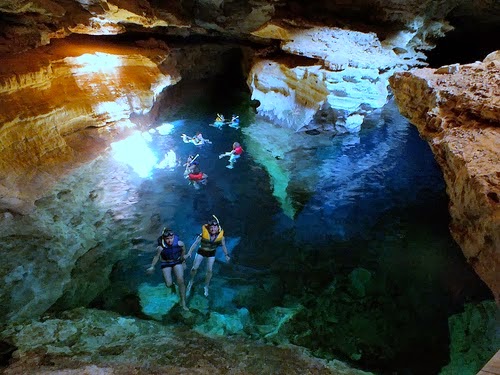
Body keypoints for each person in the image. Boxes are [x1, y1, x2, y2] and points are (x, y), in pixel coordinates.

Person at [185, 216, 230, 297]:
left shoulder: (221, 237)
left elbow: (223, 246)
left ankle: (206, 286)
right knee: (194, 268)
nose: (213, 229)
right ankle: (190, 282)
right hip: (201, 251)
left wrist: (226, 255)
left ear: (218, 227)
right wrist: (189, 253)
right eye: (211, 227)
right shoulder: (203, 235)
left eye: (214, 227)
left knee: (209, 271)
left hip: (211, 253)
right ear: (208, 228)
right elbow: (195, 243)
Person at [147, 228, 189, 311]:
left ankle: (183, 303)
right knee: (168, 284)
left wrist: (183, 262)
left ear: (174, 237)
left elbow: (183, 251)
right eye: (167, 239)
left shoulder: (180, 243)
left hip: (177, 261)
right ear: (164, 239)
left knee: (181, 281)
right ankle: (172, 286)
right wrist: (152, 266)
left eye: (171, 238)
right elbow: (156, 257)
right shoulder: (160, 248)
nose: (170, 240)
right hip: (166, 263)